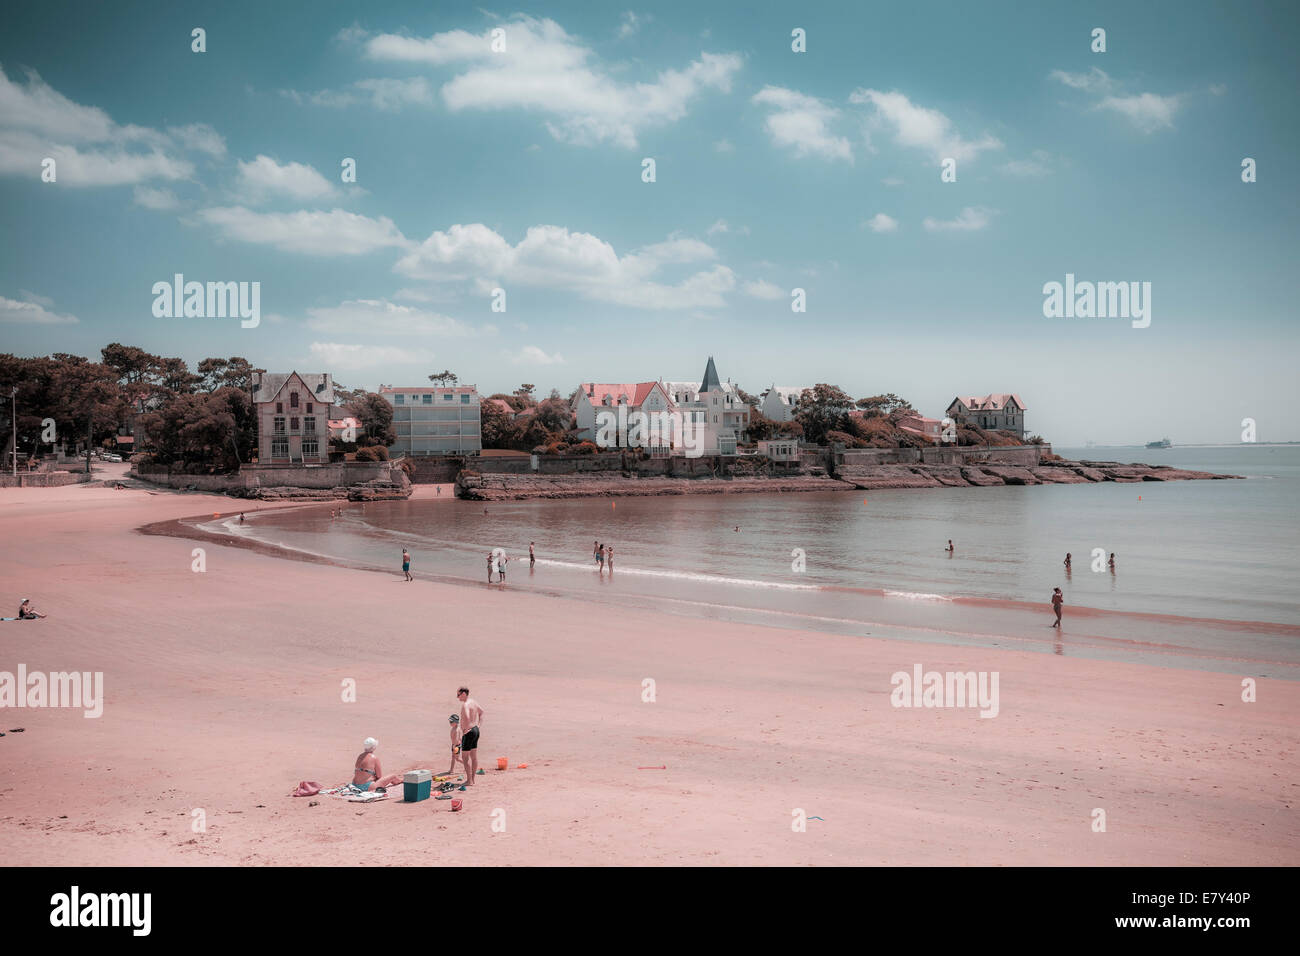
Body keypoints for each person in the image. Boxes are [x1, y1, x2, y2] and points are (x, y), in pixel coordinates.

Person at [456, 687, 484, 785]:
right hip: (475, 730)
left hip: (468, 732)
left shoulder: (465, 705)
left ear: (464, 694)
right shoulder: (474, 702)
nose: (457, 697)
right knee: (474, 756)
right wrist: (478, 725)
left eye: (458, 695)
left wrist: (465, 730)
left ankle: (469, 781)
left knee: (465, 758)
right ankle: (472, 779)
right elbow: (482, 712)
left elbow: (467, 717)